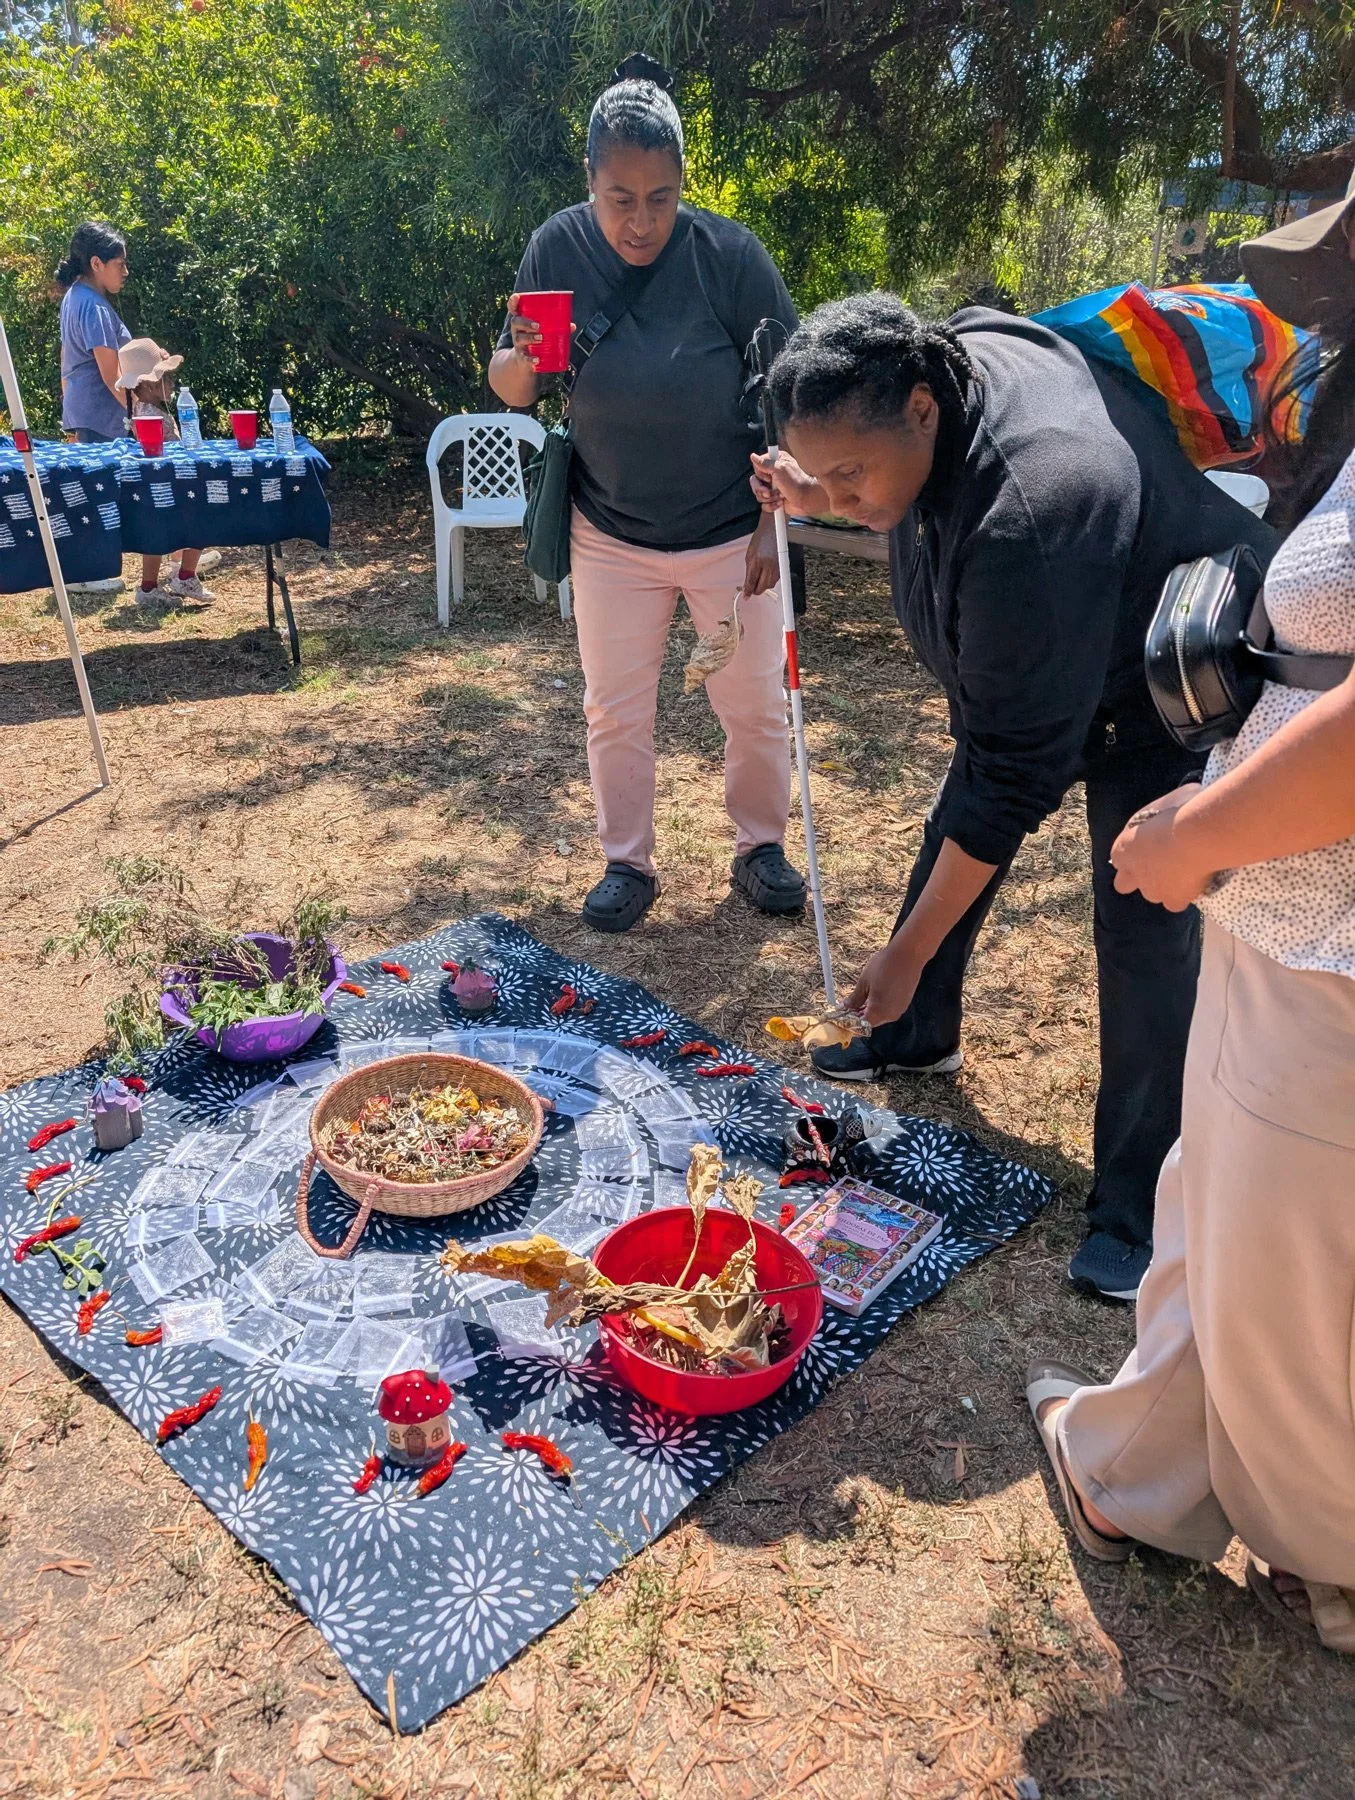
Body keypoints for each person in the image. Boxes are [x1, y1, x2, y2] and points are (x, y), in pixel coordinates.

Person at [756, 295, 1275, 1300]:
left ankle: (1138, 1206)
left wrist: (899, 950)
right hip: (1034, 669)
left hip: (1152, 686)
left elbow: (1006, 784)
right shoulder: (939, 365)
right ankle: (916, 1029)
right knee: (958, 827)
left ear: (918, 410)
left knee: (1141, 930)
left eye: (847, 477)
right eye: (819, 476)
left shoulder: (1035, 512)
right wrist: (817, 483)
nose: (835, 498)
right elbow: (993, 765)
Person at [1026, 172, 1355, 1652]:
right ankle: (1134, 1475)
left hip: (1326, 935)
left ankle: (1324, 1553)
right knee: (1210, 1209)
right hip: (1278, 910)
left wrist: (1198, 831)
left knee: (1290, 1289)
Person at [488, 53, 804, 934]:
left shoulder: (730, 256)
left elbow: (789, 387)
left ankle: (759, 848)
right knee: (614, 707)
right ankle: (626, 861)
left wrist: (771, 517)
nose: (639, 220)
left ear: (681, 186)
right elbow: (512, 384)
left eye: (659, 197)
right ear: (589, 180)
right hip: (609, 530)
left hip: (726, 530)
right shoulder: (555, 247)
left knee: (750, 703)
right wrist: (522, 360)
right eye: (619, 197)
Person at [116, 338, 217, 605]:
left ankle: (149, 587)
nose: (171, 384)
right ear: (149, 384)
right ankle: (184, 575)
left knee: (156, 536)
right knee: (198, 522)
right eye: (166, 378)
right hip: (171, 481)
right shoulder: (152, 415)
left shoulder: (143, 409)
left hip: (155, 484)